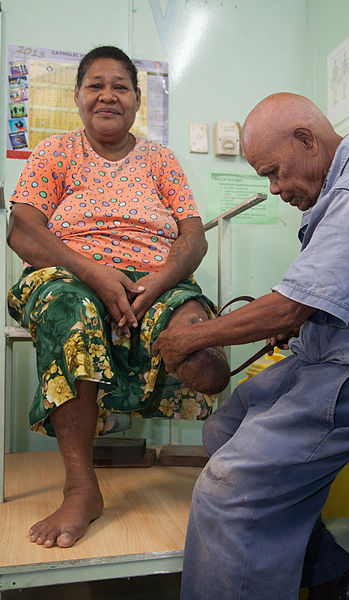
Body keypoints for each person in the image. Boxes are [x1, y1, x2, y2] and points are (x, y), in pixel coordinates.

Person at [154, 92, 349, 599]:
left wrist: (194, 337)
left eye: (276, 173)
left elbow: (288, 305)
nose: (276, 188)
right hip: (328, 356)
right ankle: (328, 578)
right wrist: (304, 320)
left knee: (227, 490)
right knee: (224, 426)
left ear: (307, 139)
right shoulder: (342, 186)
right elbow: (318, 298)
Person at [7, 45, 230, 549]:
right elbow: (23, 231)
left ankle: (229, 476)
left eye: (120, 87)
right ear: (79, 96)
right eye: (95, 85)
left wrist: (159, 282)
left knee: (208, 361)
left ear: (136, 100)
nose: (108, 95)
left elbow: (193, 238)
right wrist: (96, 274)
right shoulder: (54, 152)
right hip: (67, 276)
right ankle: (81, 487)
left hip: (156, 278)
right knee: (74, 311)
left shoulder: (159, 159)